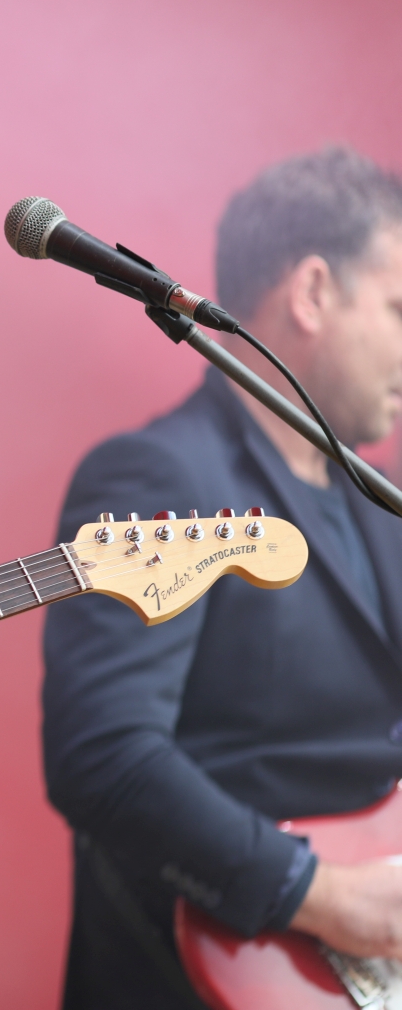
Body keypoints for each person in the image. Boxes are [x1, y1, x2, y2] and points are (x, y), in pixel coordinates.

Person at [42, 146, 402, 1008]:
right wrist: (321, 894)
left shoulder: (378, 501)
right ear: (313, 292)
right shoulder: (157, 477)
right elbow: (102, 754)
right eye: (398, 307)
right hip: (212, 977)